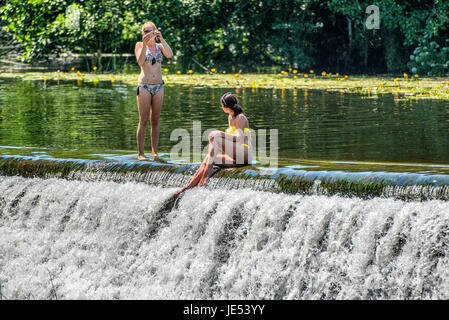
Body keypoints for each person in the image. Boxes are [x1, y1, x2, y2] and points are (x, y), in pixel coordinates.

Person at [175, 92, 253, 195]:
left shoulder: (240, 118)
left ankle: (207, 175)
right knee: (208, 159)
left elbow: (238, 138)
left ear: (225, 106)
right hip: (236, 157)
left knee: (216, 138)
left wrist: (220, 133)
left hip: (244, 155)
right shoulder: (230, 117)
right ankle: (190, 185)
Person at [134, 21, 173, 160]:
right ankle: (140, 153)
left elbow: (170, 55)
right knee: (143, 120)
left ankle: (154, 151)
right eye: (145, 31)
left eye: (150, 31)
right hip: (144, 86)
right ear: (142, 33)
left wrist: (161, 38)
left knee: (155, 119)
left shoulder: (160, 46)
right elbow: (140, 61)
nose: (148, 34)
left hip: (158, 86)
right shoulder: (139, 45)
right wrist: (145, 44)